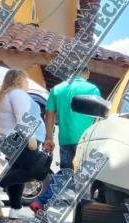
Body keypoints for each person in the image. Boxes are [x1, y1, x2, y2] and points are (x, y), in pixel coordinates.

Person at [31, 66, 100, 213]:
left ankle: (41, 203)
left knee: (66, 172)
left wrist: (49, 138)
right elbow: (99, 117)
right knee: (86, 175)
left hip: (66, 139)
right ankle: (85, 211)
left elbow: (49, 115)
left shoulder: (57, 89)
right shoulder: (92, 89)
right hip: (87, 139)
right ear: (87, 73)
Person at [0, 69, 45, 219]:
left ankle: (15, 209)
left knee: (17, 170)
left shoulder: (6, 94)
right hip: (19, 139)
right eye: (26, 80)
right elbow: (23, 118)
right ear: (19, 80)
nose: (27, 83)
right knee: (31, 170)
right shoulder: (18, 94)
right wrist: (31, 137)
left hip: (10, 139)